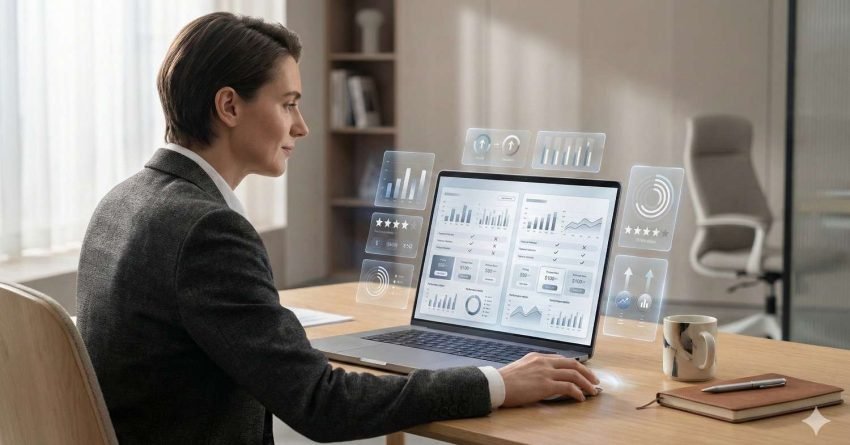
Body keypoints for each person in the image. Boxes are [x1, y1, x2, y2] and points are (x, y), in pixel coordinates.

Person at [76, 12, 599, 445]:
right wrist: (496, 383)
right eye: (288, 104)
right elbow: (321, 405)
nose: (301, 126)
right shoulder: (208, 231)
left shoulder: (121, 201)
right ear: (229, 106)